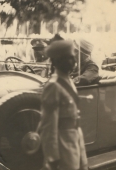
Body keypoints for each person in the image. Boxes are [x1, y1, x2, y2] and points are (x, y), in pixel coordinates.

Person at [39, 40, 88, 170]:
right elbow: (48, 125)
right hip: (62, 142)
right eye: (69, 58)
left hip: (74, 137)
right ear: (57, 61)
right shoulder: (53, 86)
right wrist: (53, 157)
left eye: (73, 57)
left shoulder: (68, 81)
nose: (73, 61)